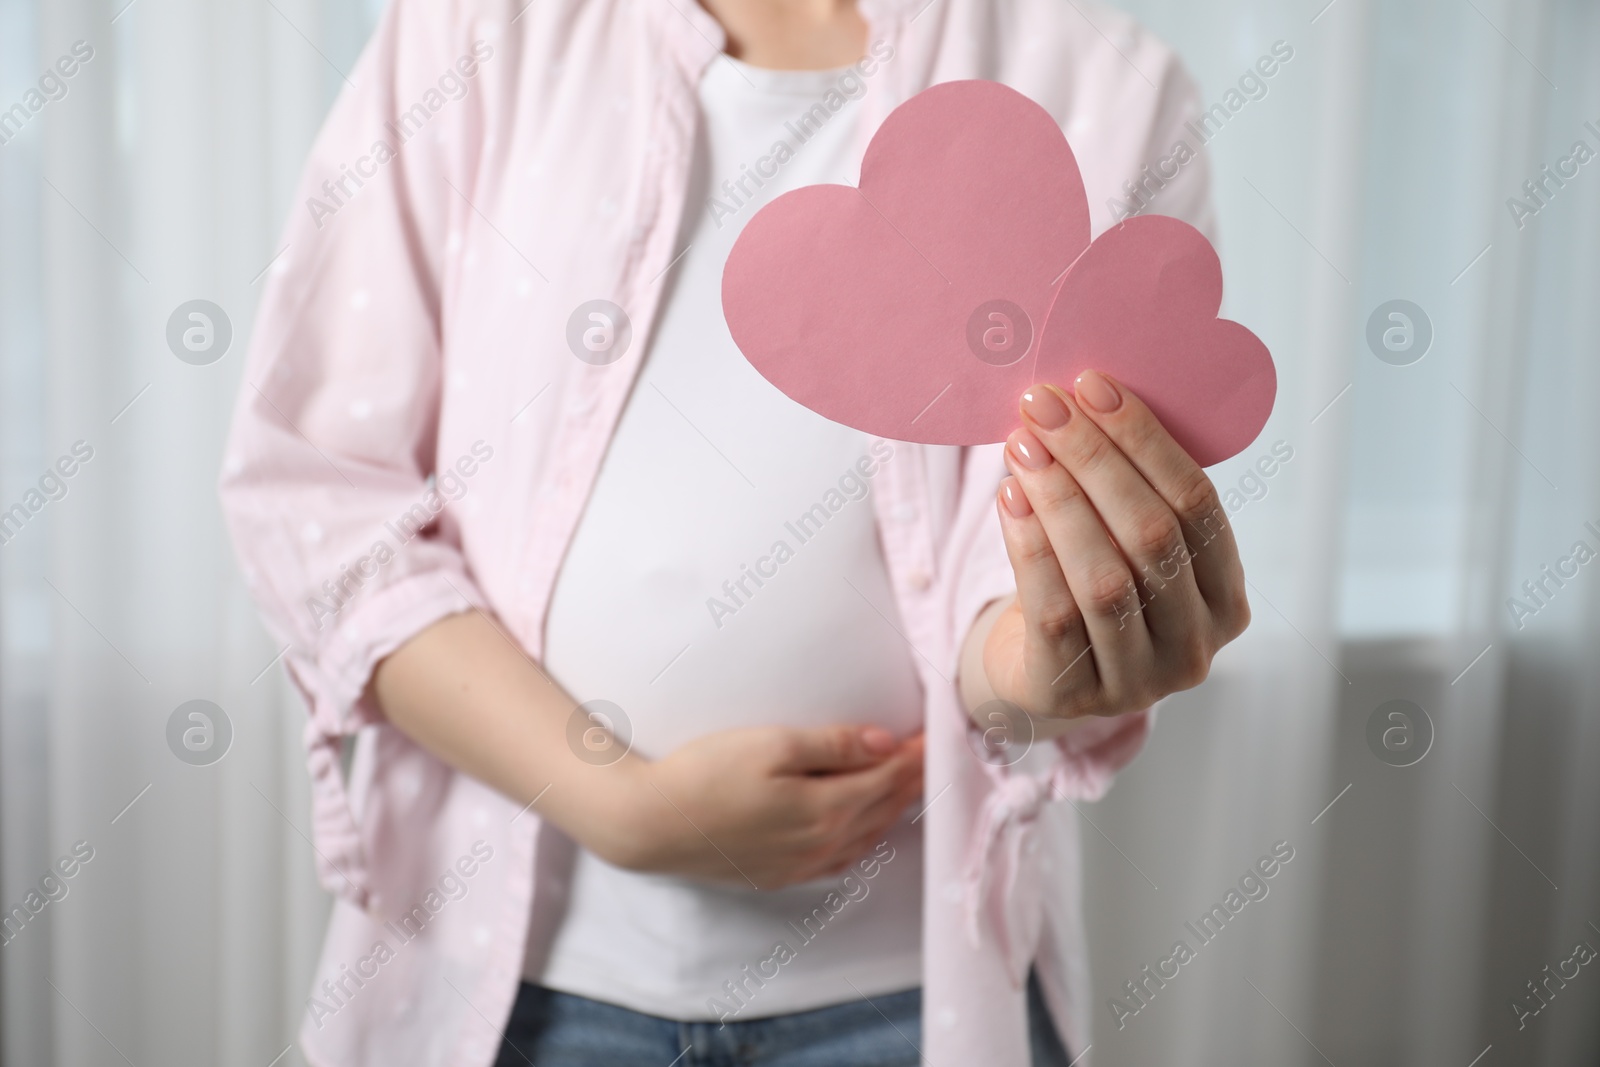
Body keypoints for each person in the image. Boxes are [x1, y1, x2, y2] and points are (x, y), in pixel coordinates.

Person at [219, 0, 1246, 1064]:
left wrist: (1052, 657)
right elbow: (319, 500)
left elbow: (1007, 626)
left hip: (910, 1000)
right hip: (517, 986)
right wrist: (617, 803)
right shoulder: (474, 30)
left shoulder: (1103, 87)